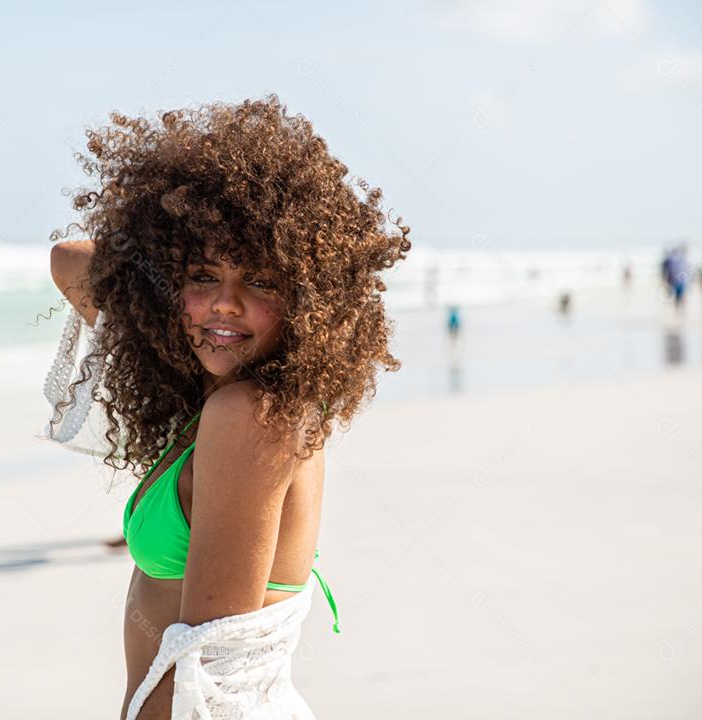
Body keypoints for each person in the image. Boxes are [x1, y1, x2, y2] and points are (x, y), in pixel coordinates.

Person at [50, 95, 410, 718]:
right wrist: (157, 270)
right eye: (203, 275)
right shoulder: (224, 395)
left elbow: (210, 671)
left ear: (308, 300)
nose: (224, 303)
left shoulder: (250, 415)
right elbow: (69, 261)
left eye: (261, 280)